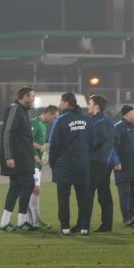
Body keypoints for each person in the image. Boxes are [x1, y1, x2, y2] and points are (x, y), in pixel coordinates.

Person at [48, 92, 91, 236]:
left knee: (63, 198)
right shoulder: (87, 120)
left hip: (64, 165)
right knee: (84, 198)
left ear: (67, 103)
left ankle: (65, 228)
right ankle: (84, 228)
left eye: (61, 102)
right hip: (82, 165)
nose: (60, 105)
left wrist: (53, 162)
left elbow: (53, 145)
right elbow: (93, 142)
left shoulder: (60, 121)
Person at [0, 87, 38, 232]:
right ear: (25, 96)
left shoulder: (23, 111)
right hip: (17, 158)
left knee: (15, 188)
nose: (34, 99)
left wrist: (32, 154)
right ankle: (21, 221)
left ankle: (6, 222)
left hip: (24, 157)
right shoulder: (15, 109)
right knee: (28, 183)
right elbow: (7, 133)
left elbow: (24, 138)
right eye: (33, 96)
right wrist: (8, 156)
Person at [87, 94, 116, 233]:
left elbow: (97, 140)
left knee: (90, 192)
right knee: (104, 193)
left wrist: (84, 148)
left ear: (96, 106)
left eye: (90, 103)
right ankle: (106, 225)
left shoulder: (100, 122)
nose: (88, 106)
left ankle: (84, 224)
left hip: (97, 161)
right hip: (103, 161)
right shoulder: (104, 120)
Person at [28, 104, 58, 229]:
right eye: (54, 117)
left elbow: (43, 144)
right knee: (35, 190)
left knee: (31, 191)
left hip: (38, 163)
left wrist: (44, 154)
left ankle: (30, 222)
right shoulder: (35, 123)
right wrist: (39, 150)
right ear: (48, 114)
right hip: (31, 163)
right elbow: (27, 141)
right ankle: (36, 221)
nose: (54, 119)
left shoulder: (44, 125)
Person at [114, 105, 134, 227]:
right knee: (125, 194)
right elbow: (113, 146)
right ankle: (127, 218)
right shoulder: (118, 127)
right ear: (126, 114)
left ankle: (130, 217)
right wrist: (116, 162)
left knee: (133, 194)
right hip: (123, 168)